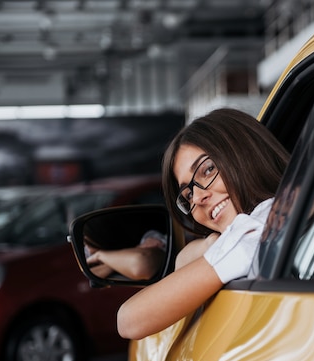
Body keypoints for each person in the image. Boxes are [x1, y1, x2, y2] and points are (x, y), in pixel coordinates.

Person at [116, 108, 289, 340]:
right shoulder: (287, 208)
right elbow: (182, 260)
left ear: (244, 153)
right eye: (187, 194)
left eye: (208, 170)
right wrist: (211, 243)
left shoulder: (255, 230)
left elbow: (128, 320)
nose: (197, 198)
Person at [84, 230, 167, 280]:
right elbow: (90, 275)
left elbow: (140, 264)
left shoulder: (148, 239)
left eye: (87, 245)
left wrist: (100, 256)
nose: (88, 252)